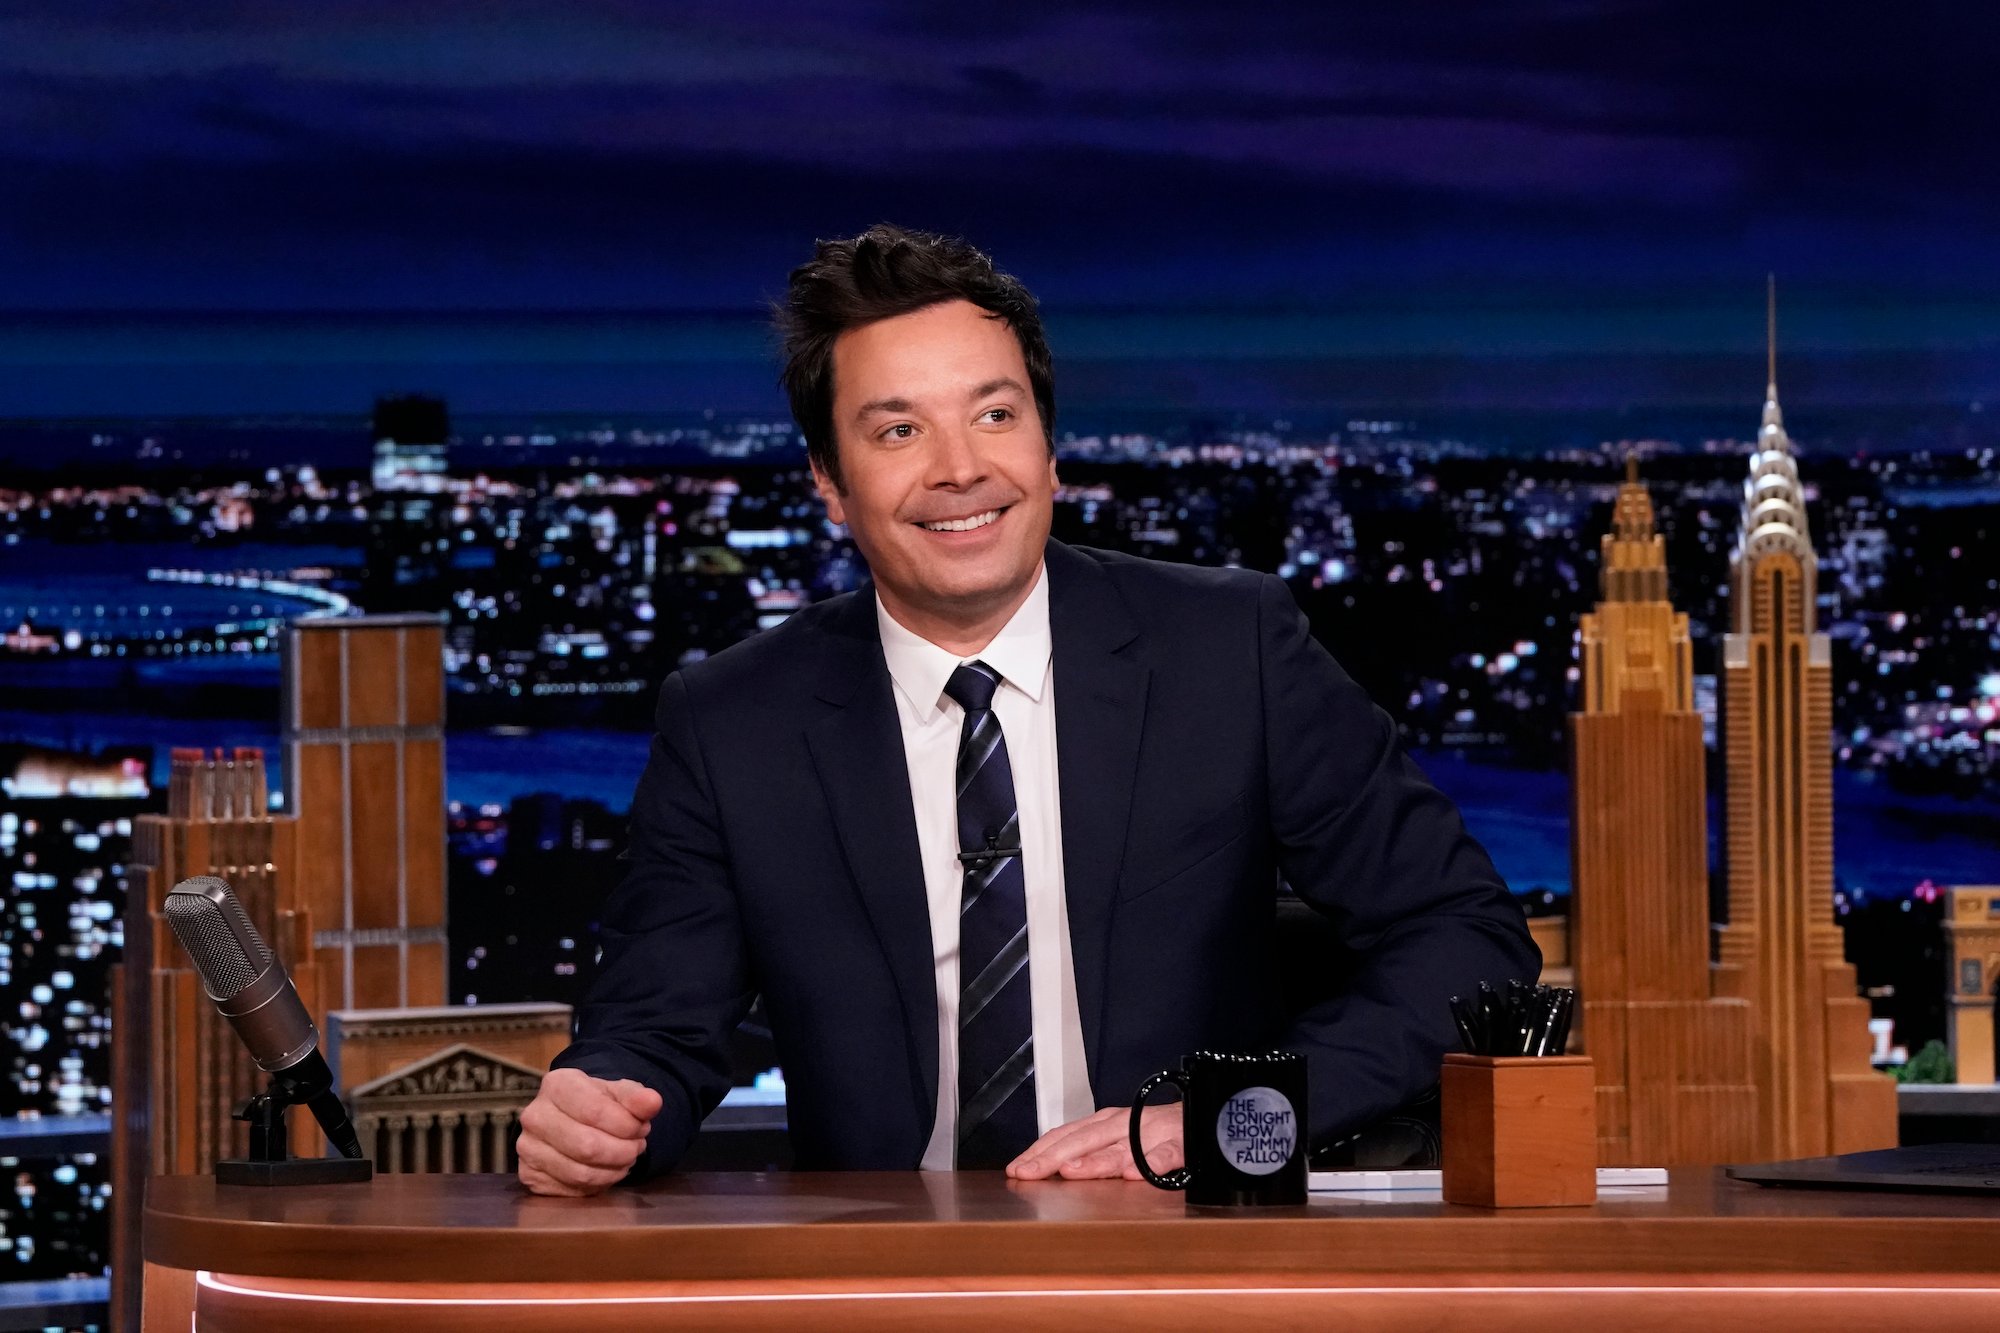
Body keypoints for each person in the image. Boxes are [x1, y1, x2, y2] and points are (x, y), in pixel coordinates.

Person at [516, 224, 1538, 1196]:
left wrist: (1229, 1118)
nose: (960, 467)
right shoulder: (733, 721)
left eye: (995, 415)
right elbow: (650, 1032)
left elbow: (1465, 935)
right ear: (829, 481)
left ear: (1049, 450)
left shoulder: (1229, 651)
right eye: (899, 430)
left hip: (1189, 1242)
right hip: (882, 1265)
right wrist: (596, 1109)